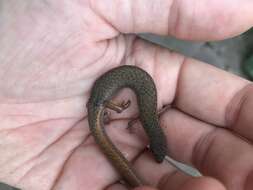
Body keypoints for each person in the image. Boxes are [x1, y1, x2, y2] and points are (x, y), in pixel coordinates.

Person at [0, 1, 252, 190]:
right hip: (103, 97)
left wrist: (120, 111)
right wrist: (119, 111)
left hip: (104, 98)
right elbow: (137, 119)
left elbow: (139, 118)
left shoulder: (149, 117)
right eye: (157, 151)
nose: (156, 156)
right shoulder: (145, 118)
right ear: (153, 140)